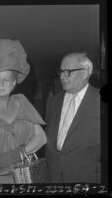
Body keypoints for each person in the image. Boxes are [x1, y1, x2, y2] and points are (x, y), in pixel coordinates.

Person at [0, 39, 47, 183]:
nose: (1, 84)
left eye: (6, 79)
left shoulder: (22, 102)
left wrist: (17, 154)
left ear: (14, 82)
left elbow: (42, 138)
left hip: (26, 177)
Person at [46, 52, 100, 183]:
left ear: (85, 73)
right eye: (61, 71)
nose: (62, 77)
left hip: (88, 177)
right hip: (54, 177)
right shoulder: (54, 101)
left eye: (68, 72)